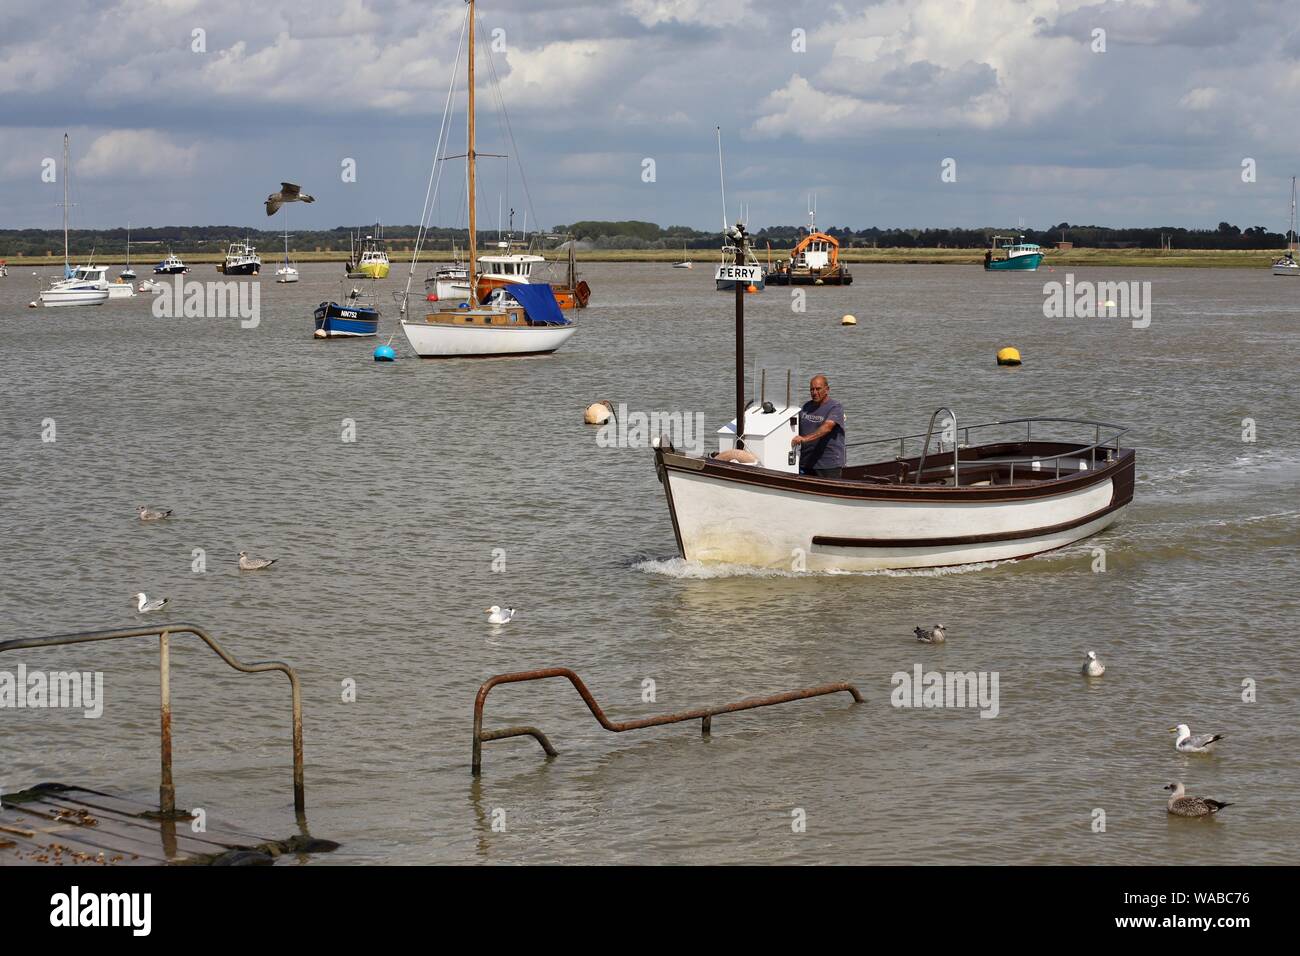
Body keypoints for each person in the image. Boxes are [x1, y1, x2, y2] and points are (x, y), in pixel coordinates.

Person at [792, 374, 846, 478]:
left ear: (827, 389)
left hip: (828, 465)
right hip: (806, 463)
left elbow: (827, 427)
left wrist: (804, 439)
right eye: (812, 389)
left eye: (818, 389)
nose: (814, 393)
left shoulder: (835, 407)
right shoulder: (806, 406)